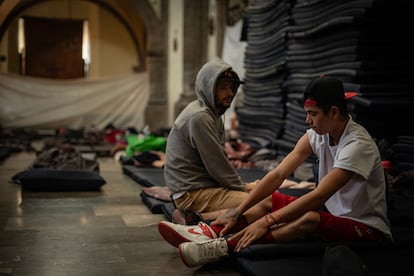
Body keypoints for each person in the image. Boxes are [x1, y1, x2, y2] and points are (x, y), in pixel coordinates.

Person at [157, 76, 393, 268]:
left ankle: (224, 246)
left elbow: (320, 195)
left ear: (333, 112)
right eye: (307, 113)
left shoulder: (357, 144)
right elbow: (277, 175)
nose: (307, 121)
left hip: (364, 227)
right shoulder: (318, 134)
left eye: (313, 114)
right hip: (333, 213)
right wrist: (238, 210)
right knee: (269, 200)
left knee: (310, 218)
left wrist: (266, 222)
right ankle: (209, 231)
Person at [164, 57, 258, 225]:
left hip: (201, 186)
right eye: (223, 87)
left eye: (232, 87)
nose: (230, 93)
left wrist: (246, 186)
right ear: (208, 87)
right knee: (258, 202)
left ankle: (198, 216)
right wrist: (243, 188)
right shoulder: (200, 117)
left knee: (262, 192)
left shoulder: (212, 113)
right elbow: (218, 166)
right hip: (191, 193)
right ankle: (196, 219)